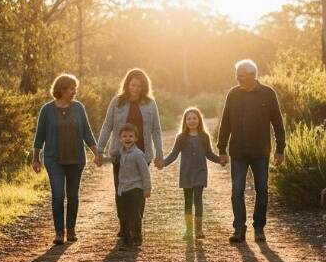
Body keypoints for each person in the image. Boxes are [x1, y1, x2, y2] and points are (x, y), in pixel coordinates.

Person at [217, 59, 286, 243]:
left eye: (240, 76)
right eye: (237, 75)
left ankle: (259, 228)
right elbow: (225, 123)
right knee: (237, 190)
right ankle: (239, 229)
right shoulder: (233, 95)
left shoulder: (268, 94)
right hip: (238, 152)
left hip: (260, 152)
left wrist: (280, 149)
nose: (237, 79)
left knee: (262, 190)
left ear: (252, 76)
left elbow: (278, 124)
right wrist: (221, 149)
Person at [31, 73, 101, 245]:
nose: (74, 91)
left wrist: (97, 153)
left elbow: (87, 132)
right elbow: (39, 136)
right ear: (61, 89)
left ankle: (71, 229)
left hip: (76, 158)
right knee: (58, 195)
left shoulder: (79, 108)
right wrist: (35, 158)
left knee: (73, 196)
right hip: (53, 159)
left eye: (75, 88)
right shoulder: (47, 110)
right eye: (71, 88)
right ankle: (59, 232)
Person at [97, 69, 164, 235]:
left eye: (139, 86)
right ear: (127, 84)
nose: (135, 89)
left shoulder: (150, 103)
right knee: (121, 189)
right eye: (133, 85)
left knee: (139, 190)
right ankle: (124, 225)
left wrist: (159, 154)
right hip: (119, 154)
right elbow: (107, 126)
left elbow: (156, 130)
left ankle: (136, 225)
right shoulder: (117, 101)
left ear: (144, 87)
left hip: (142, 154)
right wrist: (99, 149)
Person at [163, 107, 226, 240]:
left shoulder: (204, 137)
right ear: (185, 121)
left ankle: (198, 230)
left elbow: (209, 154)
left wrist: (220, 160)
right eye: (189, 118)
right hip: (186, 173)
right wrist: (163, 163)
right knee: (187, 201)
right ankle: (188, 230)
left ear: (199, 120)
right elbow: (174, 154)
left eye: (194, 118)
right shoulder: (181, 138)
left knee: (198, 199)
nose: (192, 121)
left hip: (200, 172)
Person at [115, 123, 151, 248]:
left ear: (136, 139)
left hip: (136, 188)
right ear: (120, 138)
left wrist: (147, 188)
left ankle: (137, 236)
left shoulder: (138, 154)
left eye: (131, 136)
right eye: (124, 136)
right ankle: (126, 238)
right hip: (123, 189)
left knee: (135, 213)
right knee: (123, 213)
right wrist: (102, 159)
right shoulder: (121, 152)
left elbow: (145, 172)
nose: (127, 138)